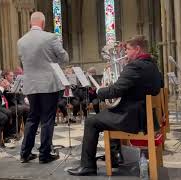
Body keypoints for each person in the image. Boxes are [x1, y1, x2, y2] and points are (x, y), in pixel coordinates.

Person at [67, 35, 162, 176]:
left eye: (128, 50)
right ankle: (115, 155)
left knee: (92, 121)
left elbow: (115, 90)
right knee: (107, 114)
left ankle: (88, 166)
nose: (125, 53)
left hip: (132, 119)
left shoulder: (135, 66)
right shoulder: (152, 65)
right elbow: (158, 86)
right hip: (147, 117)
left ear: (137, 49)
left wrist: (99, 90)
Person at [18, 11, 69, 164]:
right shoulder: (50, 37)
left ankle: (25, 153)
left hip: (31, 85)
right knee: (47, 119)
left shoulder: (21, 41)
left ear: (30, 23)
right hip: (48, 84)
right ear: (43, 23)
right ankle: (44, 154)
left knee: (33, 117)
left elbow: (23, 63)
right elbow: (64, 58)